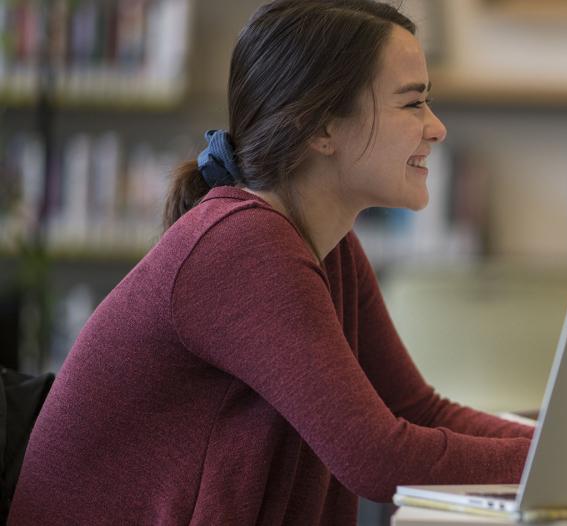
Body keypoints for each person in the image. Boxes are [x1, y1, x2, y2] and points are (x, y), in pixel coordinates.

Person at [9, 1, 531, 523]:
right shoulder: (244, 247)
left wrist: (557, 442)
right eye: (412, 103)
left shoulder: (328, 244)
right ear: (321, 128)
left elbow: (416, 411)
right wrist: (554, 458)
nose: (436, 128)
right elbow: (378, 457)